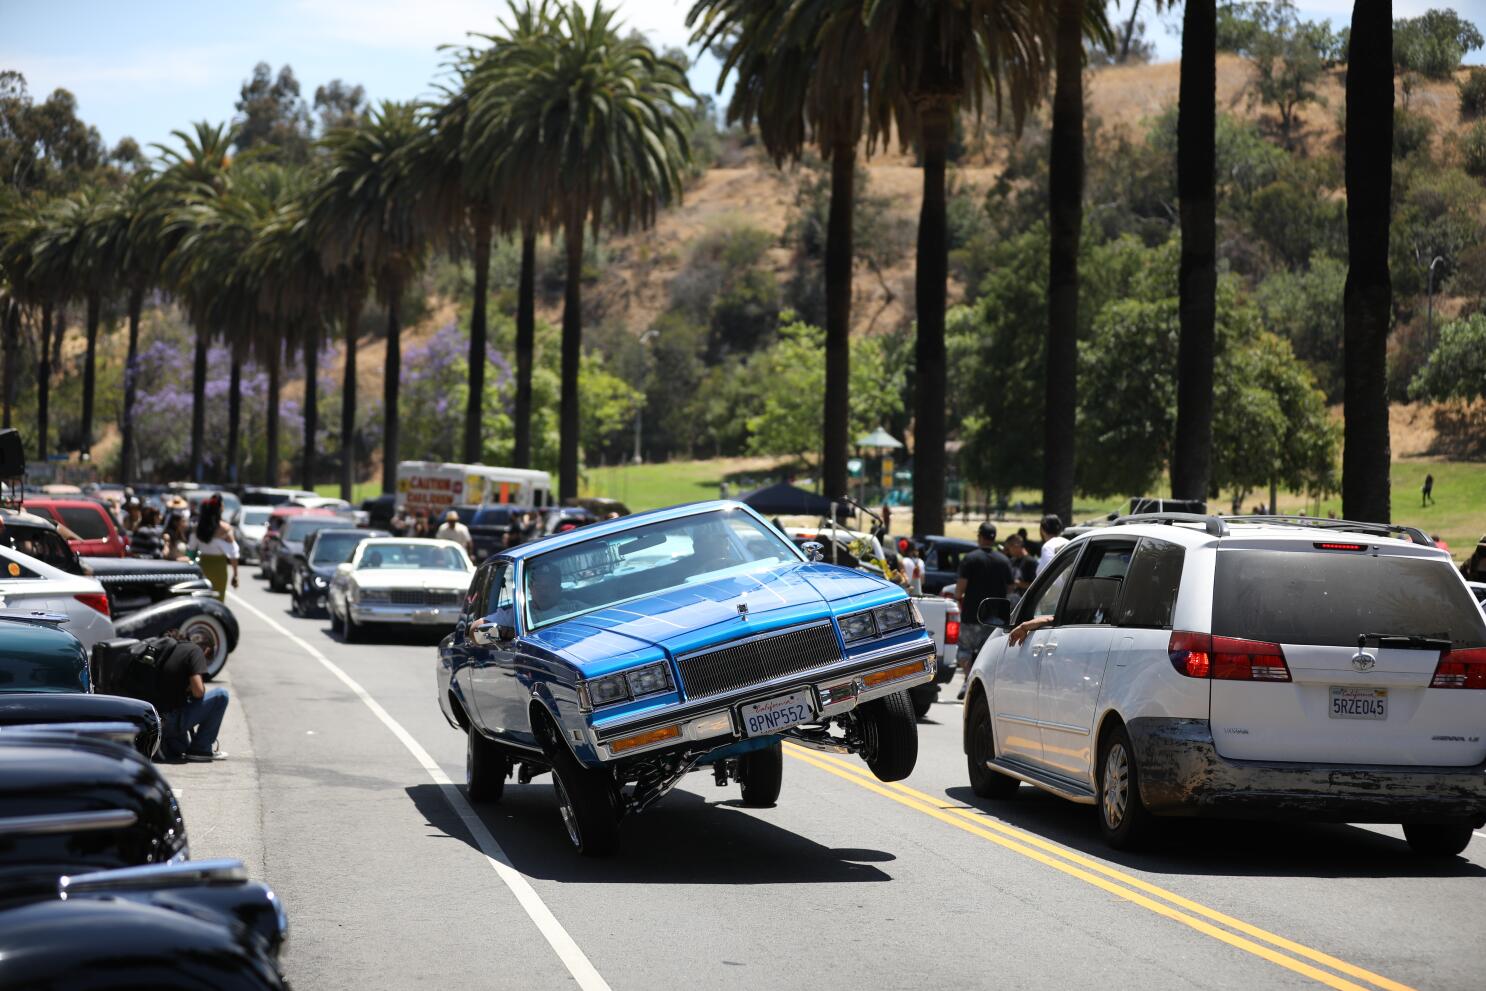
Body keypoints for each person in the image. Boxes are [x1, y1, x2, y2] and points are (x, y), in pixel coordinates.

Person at [143, 632, 230, 762]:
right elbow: (199, 691)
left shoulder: (169, 650)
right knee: (221, 695)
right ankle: (201, 749)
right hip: (168, 721)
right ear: (206, 650)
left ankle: (164, 744)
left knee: (181, 748)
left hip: (148, 721)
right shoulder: (195, 651)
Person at [954, 522, 1013, 700]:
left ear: (980, 536)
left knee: (965, 650)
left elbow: (960, 588)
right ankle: (983, 686)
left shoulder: (970, 559)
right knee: (989, 652)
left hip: (972, 614)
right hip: (996, 616)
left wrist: (958, 598)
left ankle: (968, 678)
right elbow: (1011, 588)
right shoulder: (1004, 560)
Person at [188, 494, 239, 600]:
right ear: (220, 509)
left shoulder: (197, 527)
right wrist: (235, 574)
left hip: (203, 566)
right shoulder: (225, 529)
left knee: (202, 598)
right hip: (219, 568)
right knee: (217, 599)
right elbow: (234, 554)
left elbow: (191, 548)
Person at [1003, 533, 1037, 605]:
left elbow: (1036, 585)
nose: (1008, 551)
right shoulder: (1013, 561)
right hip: (1013, 602)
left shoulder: (1030, 562)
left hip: (1026, 603)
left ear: (1016, 546)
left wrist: (1018, 584)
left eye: (1008, 548)